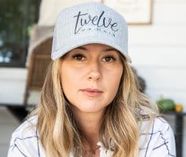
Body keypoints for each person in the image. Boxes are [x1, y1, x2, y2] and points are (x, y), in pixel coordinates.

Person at [8, 2, 176, 157]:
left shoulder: (153, 134)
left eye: (108, 58)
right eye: (79, 57)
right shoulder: (27, 141)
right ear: (58, 69)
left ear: (123, 72)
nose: (94, 73)